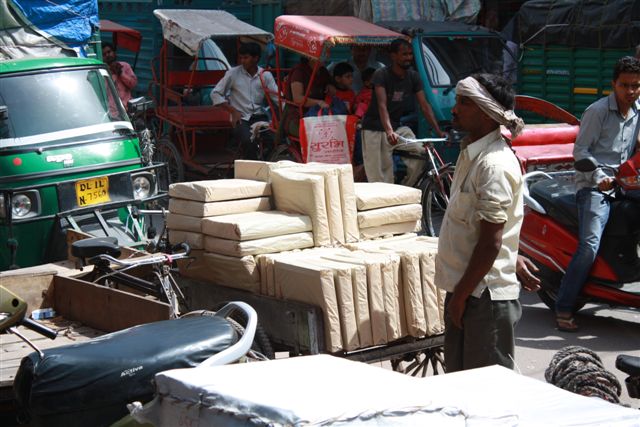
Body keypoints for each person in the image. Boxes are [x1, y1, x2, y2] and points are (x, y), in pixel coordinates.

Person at [434, 73, 525, 372]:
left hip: (484, 296)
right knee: (459, 385)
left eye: (464, 103)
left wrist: (460, 298)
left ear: (487, 113)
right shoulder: (471, 154)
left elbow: (490, 243)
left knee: (485, 392)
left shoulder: (493, 164)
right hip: (466, 289)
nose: (454, 109)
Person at [555, 56, 640, 332]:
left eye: (636, 85)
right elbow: (581, 150)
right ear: (613, 84)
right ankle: (564, 306)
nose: (630, 91)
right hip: (595, 185)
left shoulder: (638, 110)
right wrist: (599, 177)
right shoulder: (598, 111)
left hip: (626, 183)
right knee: (589, 246)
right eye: (625, 85)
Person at [360, 38, 445, 186]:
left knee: (422, 153)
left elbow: (424, 106)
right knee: (380, 178)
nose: (408, 58)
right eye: (404, 54)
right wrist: (389, 131)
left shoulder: (413, 76)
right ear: (393, 56)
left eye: (410, 54)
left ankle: (406, 188)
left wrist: (439, 131)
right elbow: (382, 105)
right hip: (374, 129)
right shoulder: (381, 74)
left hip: (397, 128)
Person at [211, 42, 278, 160]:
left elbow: (277, 97)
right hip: (241, 118)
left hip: (260, 117)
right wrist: (233, 111)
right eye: (241, 57)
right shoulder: (233, 73)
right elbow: (215, 94)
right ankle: (251, 167)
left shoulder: (265, 75)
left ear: (256, 58)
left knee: (275, 139)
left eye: (246, 58)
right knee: (248, 141)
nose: (242, 61)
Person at [280, 56, 334, 140]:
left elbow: (333, 89)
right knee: (318, 136)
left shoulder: (323, 71)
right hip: (297, 117)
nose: (327, 55)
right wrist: (318, 102)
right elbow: (297, 98)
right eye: (324, 52)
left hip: (319, 116)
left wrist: (329, 86)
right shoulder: (299, 72)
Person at [102, 42, 137, 107]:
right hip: (111, 109)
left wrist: (121, 73)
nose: (107, 55)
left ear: (114, 52)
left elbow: (133, 84)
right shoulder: (101, 71)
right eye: (104, 54)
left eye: (109, 52)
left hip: (126, 107)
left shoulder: (125, 66)